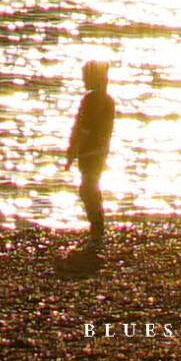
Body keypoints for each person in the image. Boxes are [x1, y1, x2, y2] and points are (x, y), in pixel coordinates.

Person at [64, 61, 115, 249]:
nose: (83, 80)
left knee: (88, 190)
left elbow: (84, 129)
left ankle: (97, 232)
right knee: (90, 188)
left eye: (86, 76)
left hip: (90, 152)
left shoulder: (92, 100)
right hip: (99, 151)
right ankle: (97, 230)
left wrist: (73, 151)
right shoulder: (107, 99)